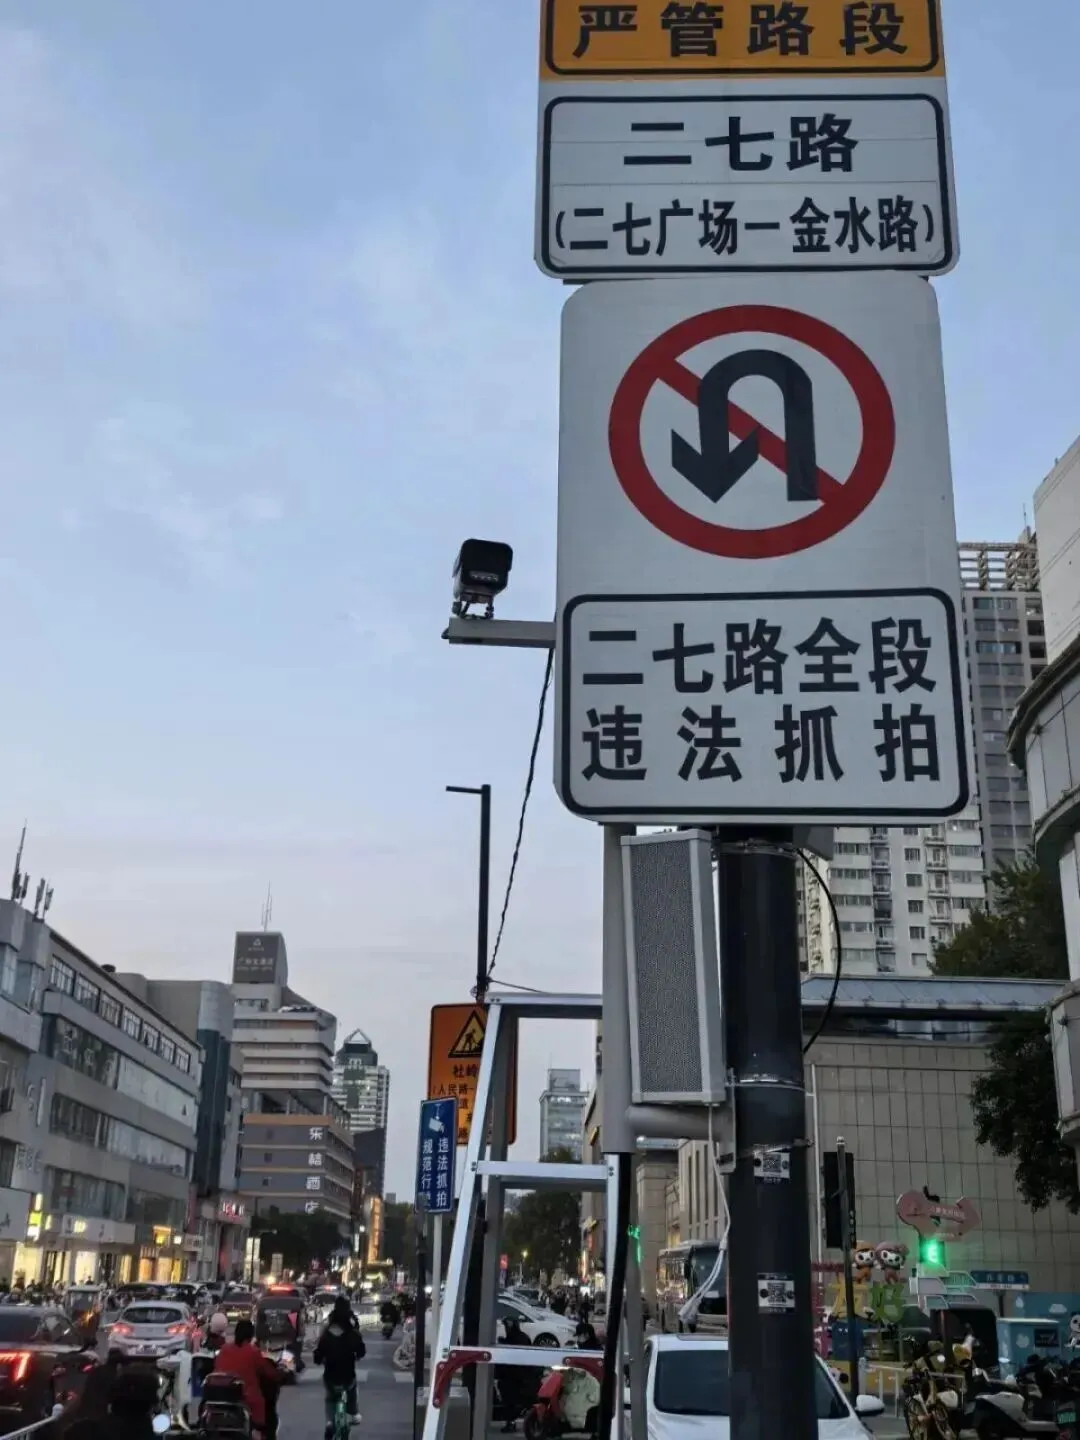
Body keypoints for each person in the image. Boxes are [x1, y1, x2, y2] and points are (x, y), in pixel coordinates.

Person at [213, 1318, 279, 1435]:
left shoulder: (224, 1349)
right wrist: (282, 1373)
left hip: (221, 1396)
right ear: (251, 1335)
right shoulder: (253, 1352)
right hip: (247, 1399)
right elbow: (269, 1373)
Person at [314, 1295, 366, 1438]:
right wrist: (357, 1354)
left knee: (330, 1398)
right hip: (348, 1375)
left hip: (330, 1376)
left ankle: (330, 1423)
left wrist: (319, 1359)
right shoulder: (352, 1331)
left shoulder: (327, 1331)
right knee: (352, 1390)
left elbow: (318, 1353)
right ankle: (353, 1412)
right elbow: (361, 1350)